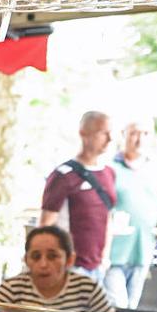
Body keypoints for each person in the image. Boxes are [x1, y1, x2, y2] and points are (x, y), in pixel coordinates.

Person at [40, 111, 117, 281]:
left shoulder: (109, 173)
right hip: (70, 267)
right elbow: (46, 224)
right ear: (84, 134)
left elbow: (107, 218)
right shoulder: (63, 176)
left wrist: (105, 258)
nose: (110, 139)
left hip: (98, 267)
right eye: (103, 133)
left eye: (111, 133)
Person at [104, 120, 157, 309]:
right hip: (113, 254)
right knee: (118, 306)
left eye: (146, 133)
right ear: (124, 135)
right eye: (134, 133)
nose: (140, 139)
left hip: (143, 253)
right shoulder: (110, 169)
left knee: (131, 309)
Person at [0, 226, 114, 312]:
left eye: (52, 256)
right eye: (35, 256)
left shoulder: (88, 289)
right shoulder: (11, 288)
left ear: (70, 259)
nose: (43, 264)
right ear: (26, 260)